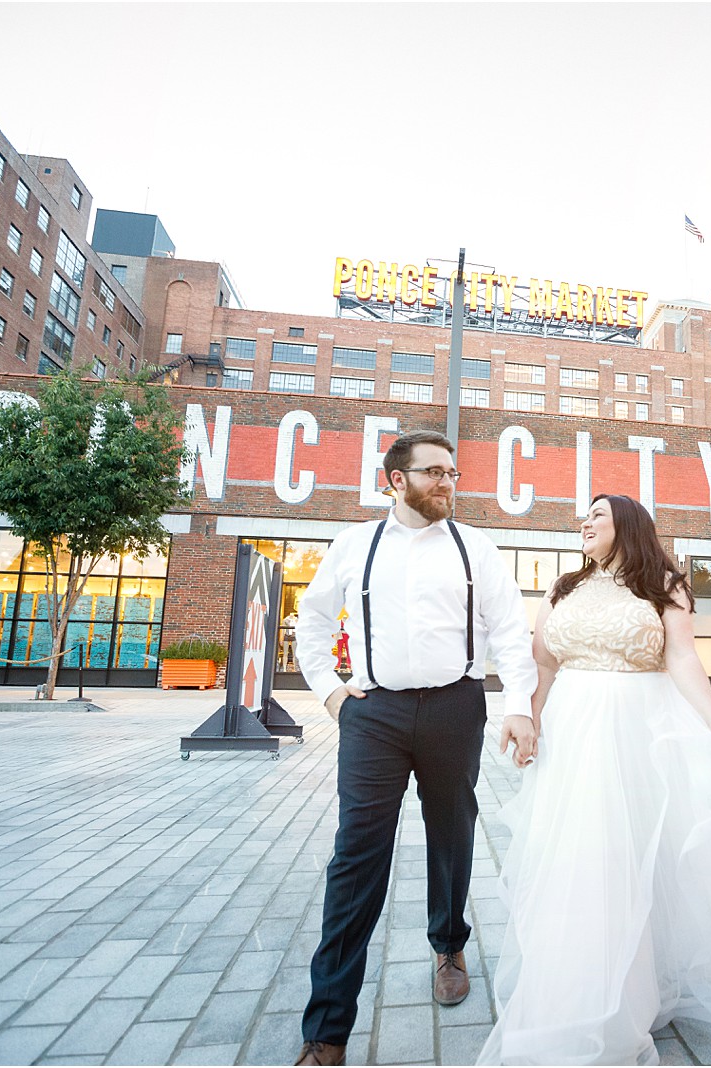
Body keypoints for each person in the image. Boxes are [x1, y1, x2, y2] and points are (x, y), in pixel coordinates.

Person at [477, 493, 711, 1065]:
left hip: (634, 738)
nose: (584, 523)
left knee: (627, 859)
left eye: (596, 514)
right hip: (572, 735)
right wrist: (530, 721)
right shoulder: (564, 587)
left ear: (628, 525)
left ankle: (624, 994)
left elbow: (683, 660)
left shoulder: (664, 585)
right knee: (576, 857)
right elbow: (542, 661)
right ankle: (576, 977)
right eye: (583, 517)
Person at [292, 430, 539, 1067]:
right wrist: (331, 694)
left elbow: (511, 629)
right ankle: (326, 1032)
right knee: (355, 857)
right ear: (395, 480)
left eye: (452, 472)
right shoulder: (354, 546)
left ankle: (449, 945)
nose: (448, 483)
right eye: (434, 473)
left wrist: (517, 706)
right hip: (373, 712)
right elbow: (314, 620)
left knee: (453, 833)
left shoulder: (474, 547)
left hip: (456, 705)